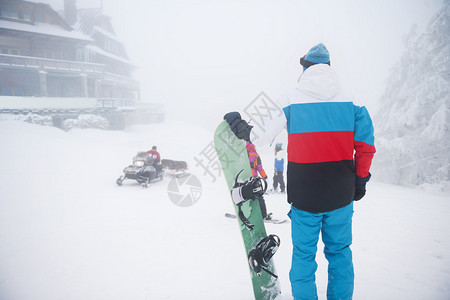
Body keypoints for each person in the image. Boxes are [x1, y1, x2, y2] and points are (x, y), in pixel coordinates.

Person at [224, 43, 375, 300]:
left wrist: (238, 125)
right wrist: (360, 181)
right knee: (340, 253)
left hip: (305, 197)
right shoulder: (354, 101)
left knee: (304, 255)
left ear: (305, 67)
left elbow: (260, 137)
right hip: (341, 195)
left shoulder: (290, 99)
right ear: (328, 66)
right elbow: (366, 147)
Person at [245, 142, 272, 220]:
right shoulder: (255, 155)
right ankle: (263, 214)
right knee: (259, 197)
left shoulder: (243, 155)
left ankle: (246, 213)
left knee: (246, 197)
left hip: (245, 179)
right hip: (254, 180)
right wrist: (265, 177)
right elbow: (260, 168)